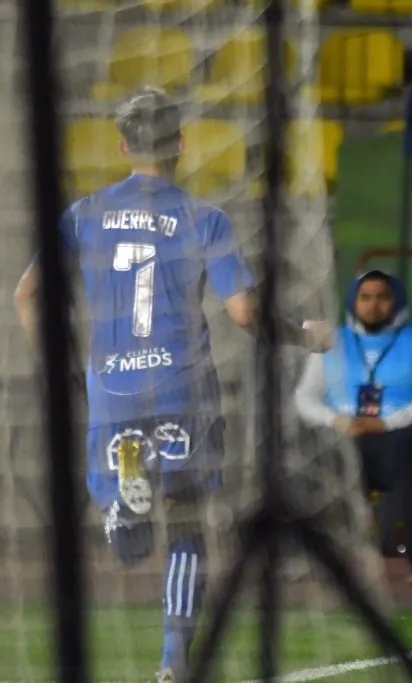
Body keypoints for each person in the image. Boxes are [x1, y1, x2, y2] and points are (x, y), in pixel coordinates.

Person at [13, 87, 332, 682]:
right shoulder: (202, 217)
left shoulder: (83, 214)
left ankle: (124, 503)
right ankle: (172, 663)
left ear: (122, 145)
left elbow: (26, 294)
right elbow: (243, 313)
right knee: (186, 525)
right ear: (181, 143)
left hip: (113, 391)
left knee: (128, 543)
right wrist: (302, 332)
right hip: (183, 389)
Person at [294, 270, 412, 585]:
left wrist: (386, 422)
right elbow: (304, 398)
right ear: (354, 301)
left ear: (397, 301)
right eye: (365, 297)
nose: (373, 305)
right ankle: (317, 559)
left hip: (397, 440)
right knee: (306, 448)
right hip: (344, 437)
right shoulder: (330, 342)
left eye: (382, 297)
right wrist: (335, 420)